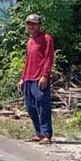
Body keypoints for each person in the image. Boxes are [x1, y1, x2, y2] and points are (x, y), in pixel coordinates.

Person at [21, 14, 55, 143]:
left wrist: (45, 75)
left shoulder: (46, 38)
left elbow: (49, 58)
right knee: (30, 108)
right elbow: (27, 61)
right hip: (28, 78)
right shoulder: (30, 41)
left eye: (34, 24)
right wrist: (22, 78)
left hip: (39, 78)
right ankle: (39, 133)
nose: (31, 26)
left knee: (42, 106)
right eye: (29, 24)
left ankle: (46, 134)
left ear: (39, 25)